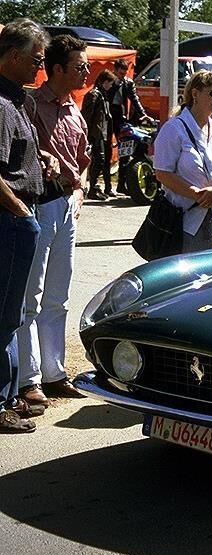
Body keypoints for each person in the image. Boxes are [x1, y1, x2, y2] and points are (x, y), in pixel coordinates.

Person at [16, 33, 91, 407]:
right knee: (31, 295)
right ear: (57, 68)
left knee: (58, 295)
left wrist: (80, 190)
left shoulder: (75, 109)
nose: (86, 72)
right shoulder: (30, 104)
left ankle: (54, 372)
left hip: (65, 206)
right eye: (80, 66)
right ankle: (28, 379)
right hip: (39, 204)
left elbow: (84, 160)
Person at [0, 19, 55, 432]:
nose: (41, 67)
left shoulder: (17, 100)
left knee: (13, 313)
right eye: (36, 60)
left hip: (19, 218)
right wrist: (20, 209)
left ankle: (9, 395)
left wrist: (41, 161)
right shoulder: (2, 105)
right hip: (10, 221)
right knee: (5, 315)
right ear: (13, 57)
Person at [153, 70, 212, 253]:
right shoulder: (173, 129)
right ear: (195, 94)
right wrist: (197, 194)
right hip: (183, 222)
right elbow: (162, 173)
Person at [108, 58, 151, 195]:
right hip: (108, 116)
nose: (122, 76)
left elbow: (134, 99)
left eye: (124, 74)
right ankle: (106, 186)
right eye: (120, 73)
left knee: (125, 151)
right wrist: (115, 84)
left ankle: (121, 184)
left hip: (121, 117)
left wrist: (143, 114)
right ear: (115, 70)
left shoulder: (128, 82)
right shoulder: (109, 80)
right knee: (105, 151)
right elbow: (106, 96)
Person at [81, 68, 116, 201]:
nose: (110, 86)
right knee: (99, 160)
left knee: (103, 160)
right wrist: (88, 134)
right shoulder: (94, 94)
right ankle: (93, 188)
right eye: (109, 83)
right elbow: (87, 115)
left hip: (103, 132)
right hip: (96, 133)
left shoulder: (102, 94)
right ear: (104, 81)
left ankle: (97, 187)